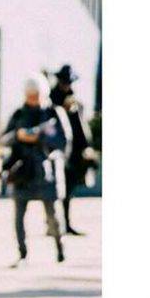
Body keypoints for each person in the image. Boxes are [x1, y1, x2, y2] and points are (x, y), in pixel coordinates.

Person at [0, 75, 68, 266]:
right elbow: (3, 139)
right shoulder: (19, 114)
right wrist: (18, 135)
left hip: (47, 173)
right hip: (23, 173)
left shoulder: (53, 113)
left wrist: (40, 138)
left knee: (53, 216)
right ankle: (22, 254)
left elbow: (64, 141)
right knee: (19, 217)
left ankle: (60, 248)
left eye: (36, 95)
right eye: (29, 95)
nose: (32, 99)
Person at [49, 64, 94, 235]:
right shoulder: (52, 99)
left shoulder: (73, 99)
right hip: (57, 149)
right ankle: (53, 223)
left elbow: (80, 126)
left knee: (68, 189)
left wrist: (86, 146)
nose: (67, 85)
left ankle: (65, 223)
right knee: (54, 190)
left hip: (73, 151)